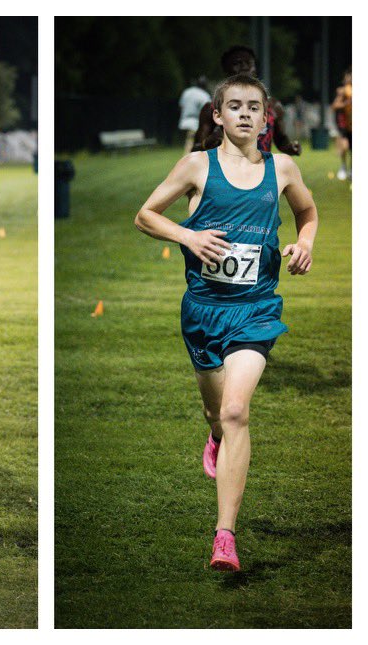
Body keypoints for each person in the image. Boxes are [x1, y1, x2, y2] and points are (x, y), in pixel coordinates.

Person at [135, 73, 317, 572]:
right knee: (218, 416)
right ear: (217, 115)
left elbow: (308, 213)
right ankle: (214, 436)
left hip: (256, 311)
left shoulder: (282, 169)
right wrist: (187, 238)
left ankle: (225, 537)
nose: (243, 114)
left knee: (238, 411)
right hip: (203, 312)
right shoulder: (198, 165)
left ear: (265, 117)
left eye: (253, 107)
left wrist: (304, 244)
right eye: (233, 106)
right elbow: (146, 215)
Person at [193, 45, 301, 156]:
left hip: (260, 170)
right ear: (226, 70)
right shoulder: (211, 109)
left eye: (249, 63)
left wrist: (290, 147)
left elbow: (281, 140)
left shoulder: (273, 106)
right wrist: (209, 142)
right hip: (225, 171)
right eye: (237, 63)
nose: (244, 67)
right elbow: (195, 151)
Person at [178, 76, 211, 154]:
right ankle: (188, 160)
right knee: (191, 144)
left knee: (189, 142)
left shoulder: (187, 91)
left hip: (183, 121)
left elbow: (181, 106)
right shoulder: (204, 95)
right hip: (195, 123)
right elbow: (206, 111)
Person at [332, 68, 352, 180]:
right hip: (344, 124)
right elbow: (334, 106)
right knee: (344, 146)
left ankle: (351, 170)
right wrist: (346, 103)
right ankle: (343, 167)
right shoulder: (343, 91)